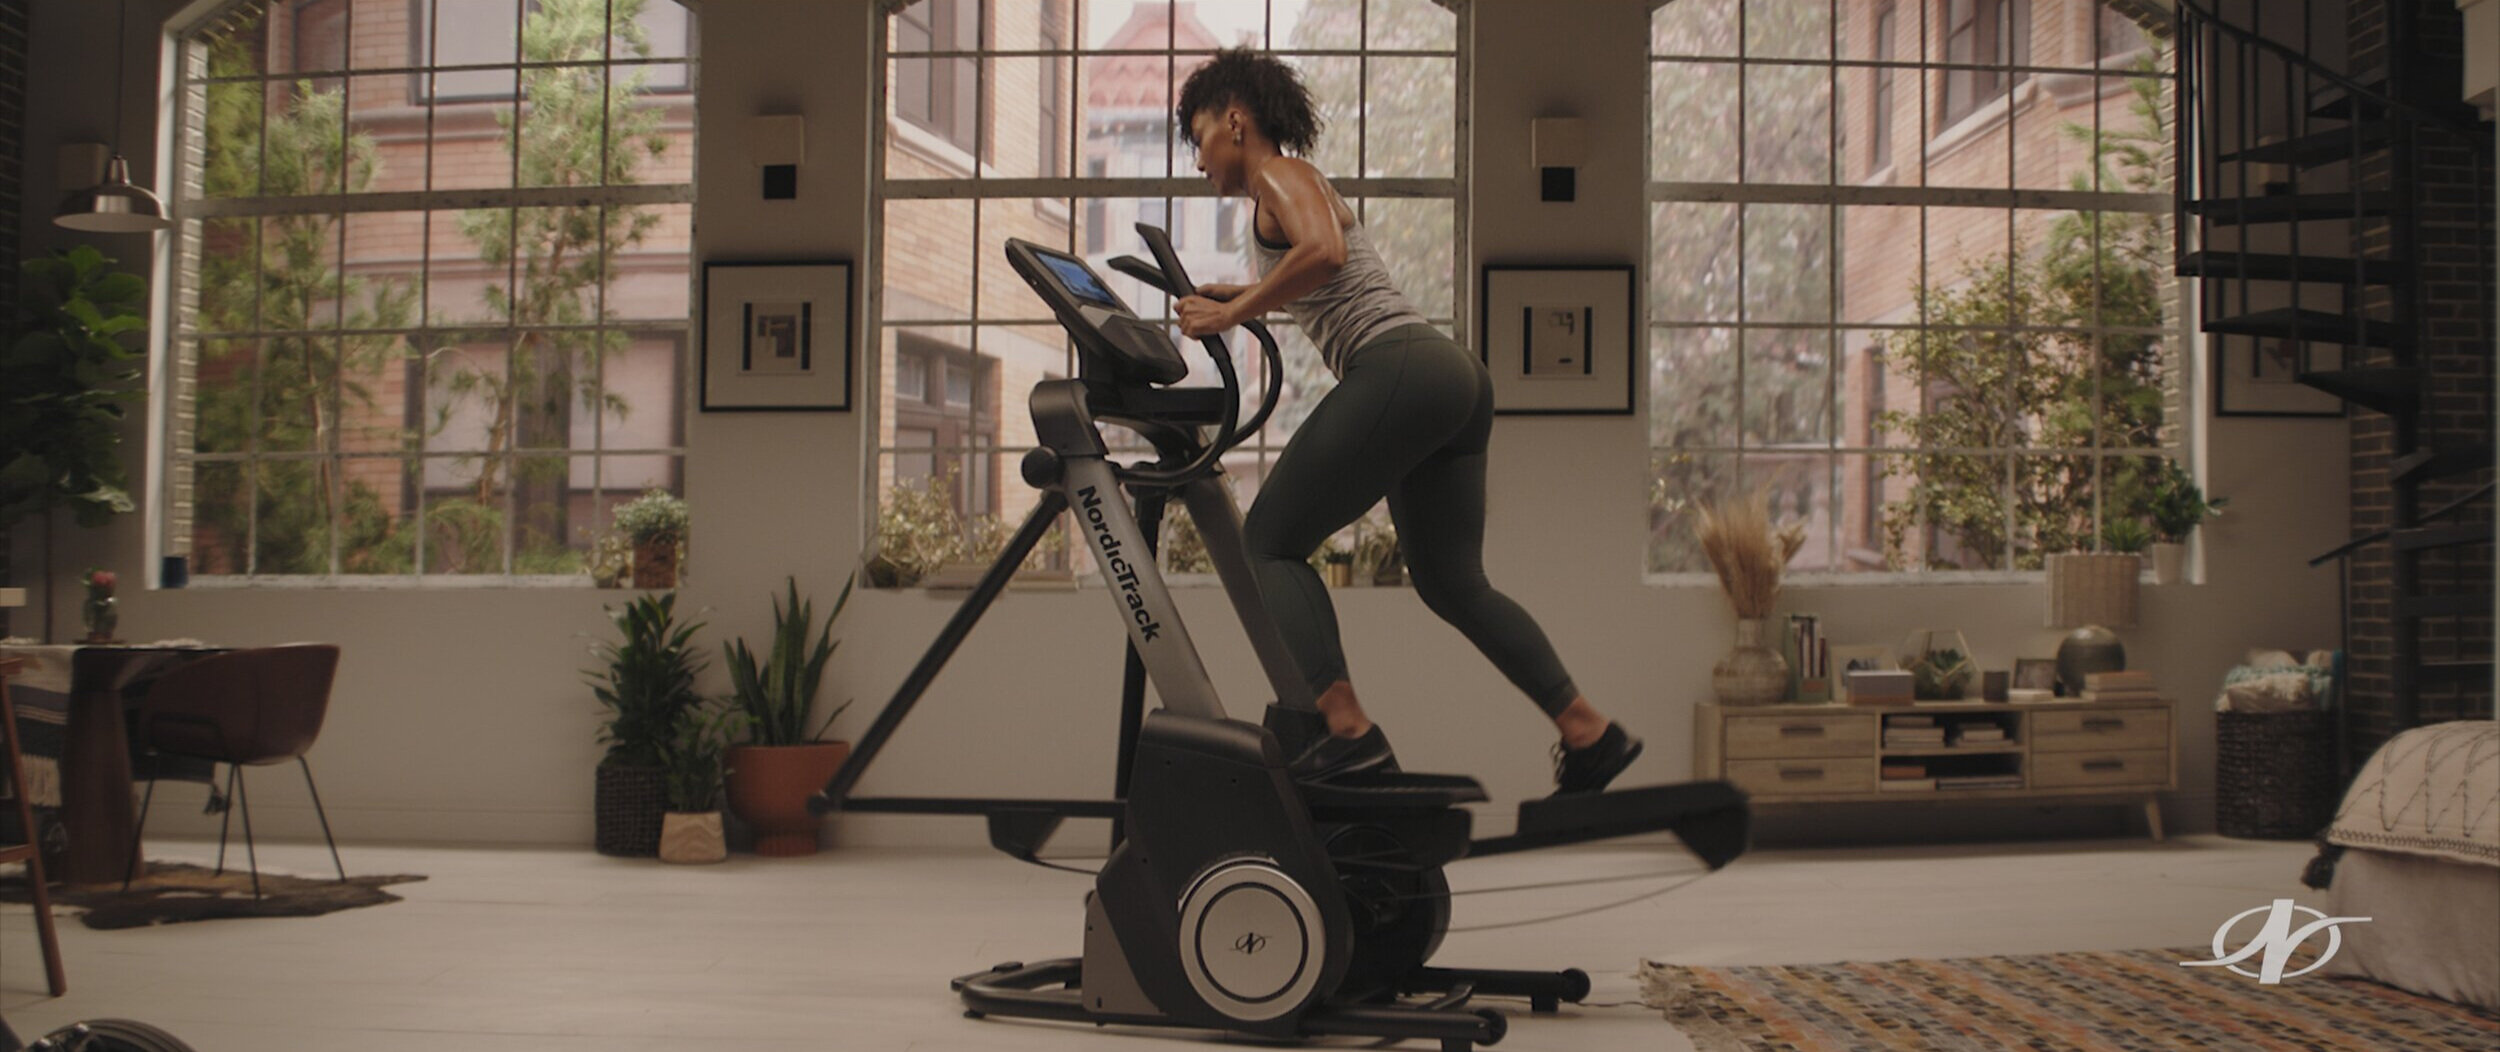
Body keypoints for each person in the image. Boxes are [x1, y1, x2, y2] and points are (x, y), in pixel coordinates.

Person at [1170, 49, 1639, 796]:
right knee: (1452, 584)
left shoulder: (1280, 177)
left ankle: (1345, 726)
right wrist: (1239, 291)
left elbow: (1322, 254)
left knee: (1268, 540)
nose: (1198, 161)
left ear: (1235, 121)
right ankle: (1589, 732)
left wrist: (1232, 312)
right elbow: (1325, 274)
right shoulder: (1286, 193)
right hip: (1450, 381)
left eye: (1198, 137)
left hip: (1400, 369)